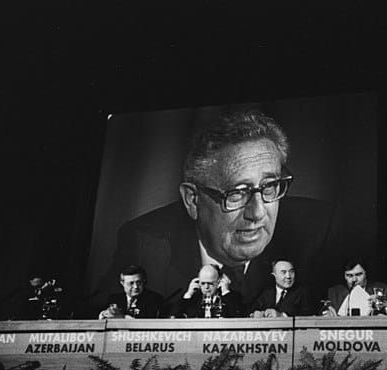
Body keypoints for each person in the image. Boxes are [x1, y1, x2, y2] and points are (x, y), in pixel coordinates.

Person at [97, 109, 333, 315]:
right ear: (193, 200)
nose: (258, 213)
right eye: (237, 192)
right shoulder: (144, 241)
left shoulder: (319, 230)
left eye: (270, 186)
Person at [322, 257, 387, 316]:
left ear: (365, 273)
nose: (354, 279)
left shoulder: (383, 289)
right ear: (344, 276)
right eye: (349, 275)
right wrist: (326, 313)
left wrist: (386, 305)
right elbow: (323, 310)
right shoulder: (335, 292)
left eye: (358, 274)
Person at [171, 264, 243, 318]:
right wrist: (188, 294)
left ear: (219, 282)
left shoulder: (231, 297)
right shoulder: (194, 298)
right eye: (203, 283)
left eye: (210, 283)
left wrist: (225, 292)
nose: (206, 287)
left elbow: (238, 315)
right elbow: (174, 316)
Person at [98, 265, 163, 319]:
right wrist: (104, 314)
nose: (135, 287)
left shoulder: (154, 299)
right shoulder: (114, 299)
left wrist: (122, 317)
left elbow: (148, 323)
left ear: (144, 282)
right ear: (122, 283)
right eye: (131, 283)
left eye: (138, 282)